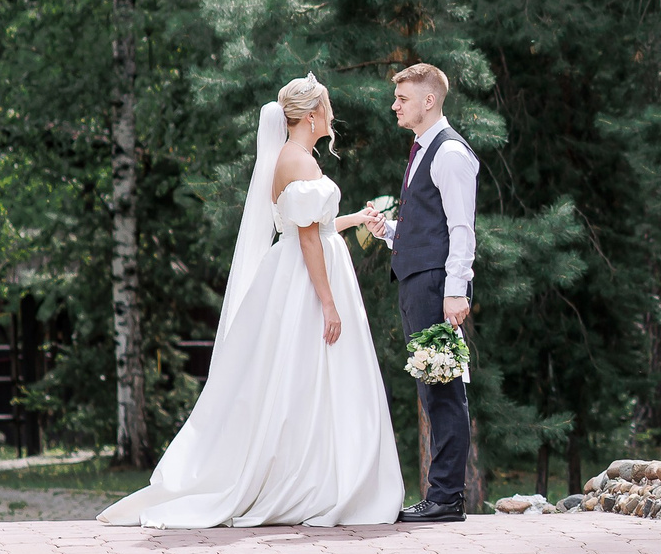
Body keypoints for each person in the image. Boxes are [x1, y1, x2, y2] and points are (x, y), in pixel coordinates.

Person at [101, 77, 403, 527]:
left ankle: (321, 473)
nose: (333, 114)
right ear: (311, 116)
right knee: (307, 374)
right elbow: (308, 242)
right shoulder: (298, 162)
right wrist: (329, 303)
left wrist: (355, 219)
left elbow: (313, 227)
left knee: (303, 376)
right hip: (308, 283)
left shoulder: (294, 158)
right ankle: (313, 479)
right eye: (329, 107)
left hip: (298, 274)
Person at [366, 62, 479, 522]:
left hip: (437, 286)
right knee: (431, 390)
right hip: (420, 281)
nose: (395, 106)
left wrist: (456, 291)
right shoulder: (423, 149)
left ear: (428, 101)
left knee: (444, 389)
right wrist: (390, 230)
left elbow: (460, 229)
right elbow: (428, 225)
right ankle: (441, 494)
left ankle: (447, 498)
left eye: (403, 99)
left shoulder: (450, 153)